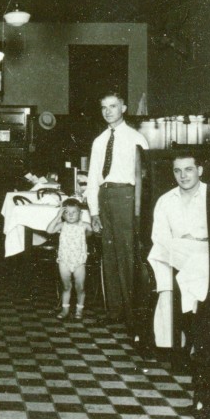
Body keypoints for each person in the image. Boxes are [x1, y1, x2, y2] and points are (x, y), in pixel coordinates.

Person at [86, 91, 149, 344]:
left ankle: (133, 316)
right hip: (105, 195)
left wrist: (137, 210)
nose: (108, 111)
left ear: (123, 107)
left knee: (127, 255)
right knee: (109, 256)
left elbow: (144, 180)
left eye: (113, 106)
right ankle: (114, 311)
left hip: (126, 197)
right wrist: (94, 212)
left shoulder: (137, 139)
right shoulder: (100, 140)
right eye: (103, 107)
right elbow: (92, 178)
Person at [148, 154, 210, 381]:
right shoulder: (166, 200)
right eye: (177, 171)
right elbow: (160, 237)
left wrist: (196, 240)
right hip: (173, 252)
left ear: (199, 170)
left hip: (206, 253)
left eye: (188, 169)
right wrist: (185, 241)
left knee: (198, 268)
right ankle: (182, 344)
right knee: (175, 274)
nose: (183, 176)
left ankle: (194, 343)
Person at [52, 198, 92, 320]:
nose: (70, 215)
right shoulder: (62, 225)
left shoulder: (84, 225)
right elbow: (49, 230)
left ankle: (79, 310)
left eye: (74, 212)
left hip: (79, 261)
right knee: (66, 287)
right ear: (63, 214)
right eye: (67, 212)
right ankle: (65, 310)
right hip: (64, 260)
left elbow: (90, 233)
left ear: (80, 214)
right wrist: (57, 215)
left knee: (80, 287)